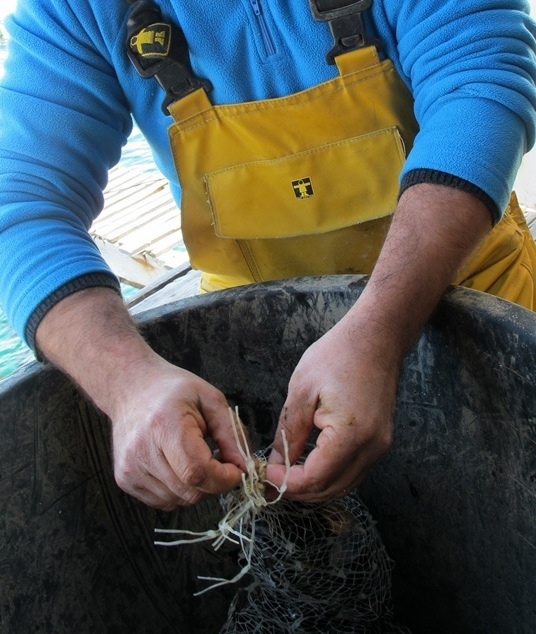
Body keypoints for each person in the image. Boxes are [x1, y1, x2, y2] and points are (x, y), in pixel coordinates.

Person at [0, 0, 535, 510]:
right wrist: (127, 381)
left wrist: (379, 329)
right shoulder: (75, 11)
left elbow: (480, 81)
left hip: (469, 307)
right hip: (260, 374)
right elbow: (20, 202)